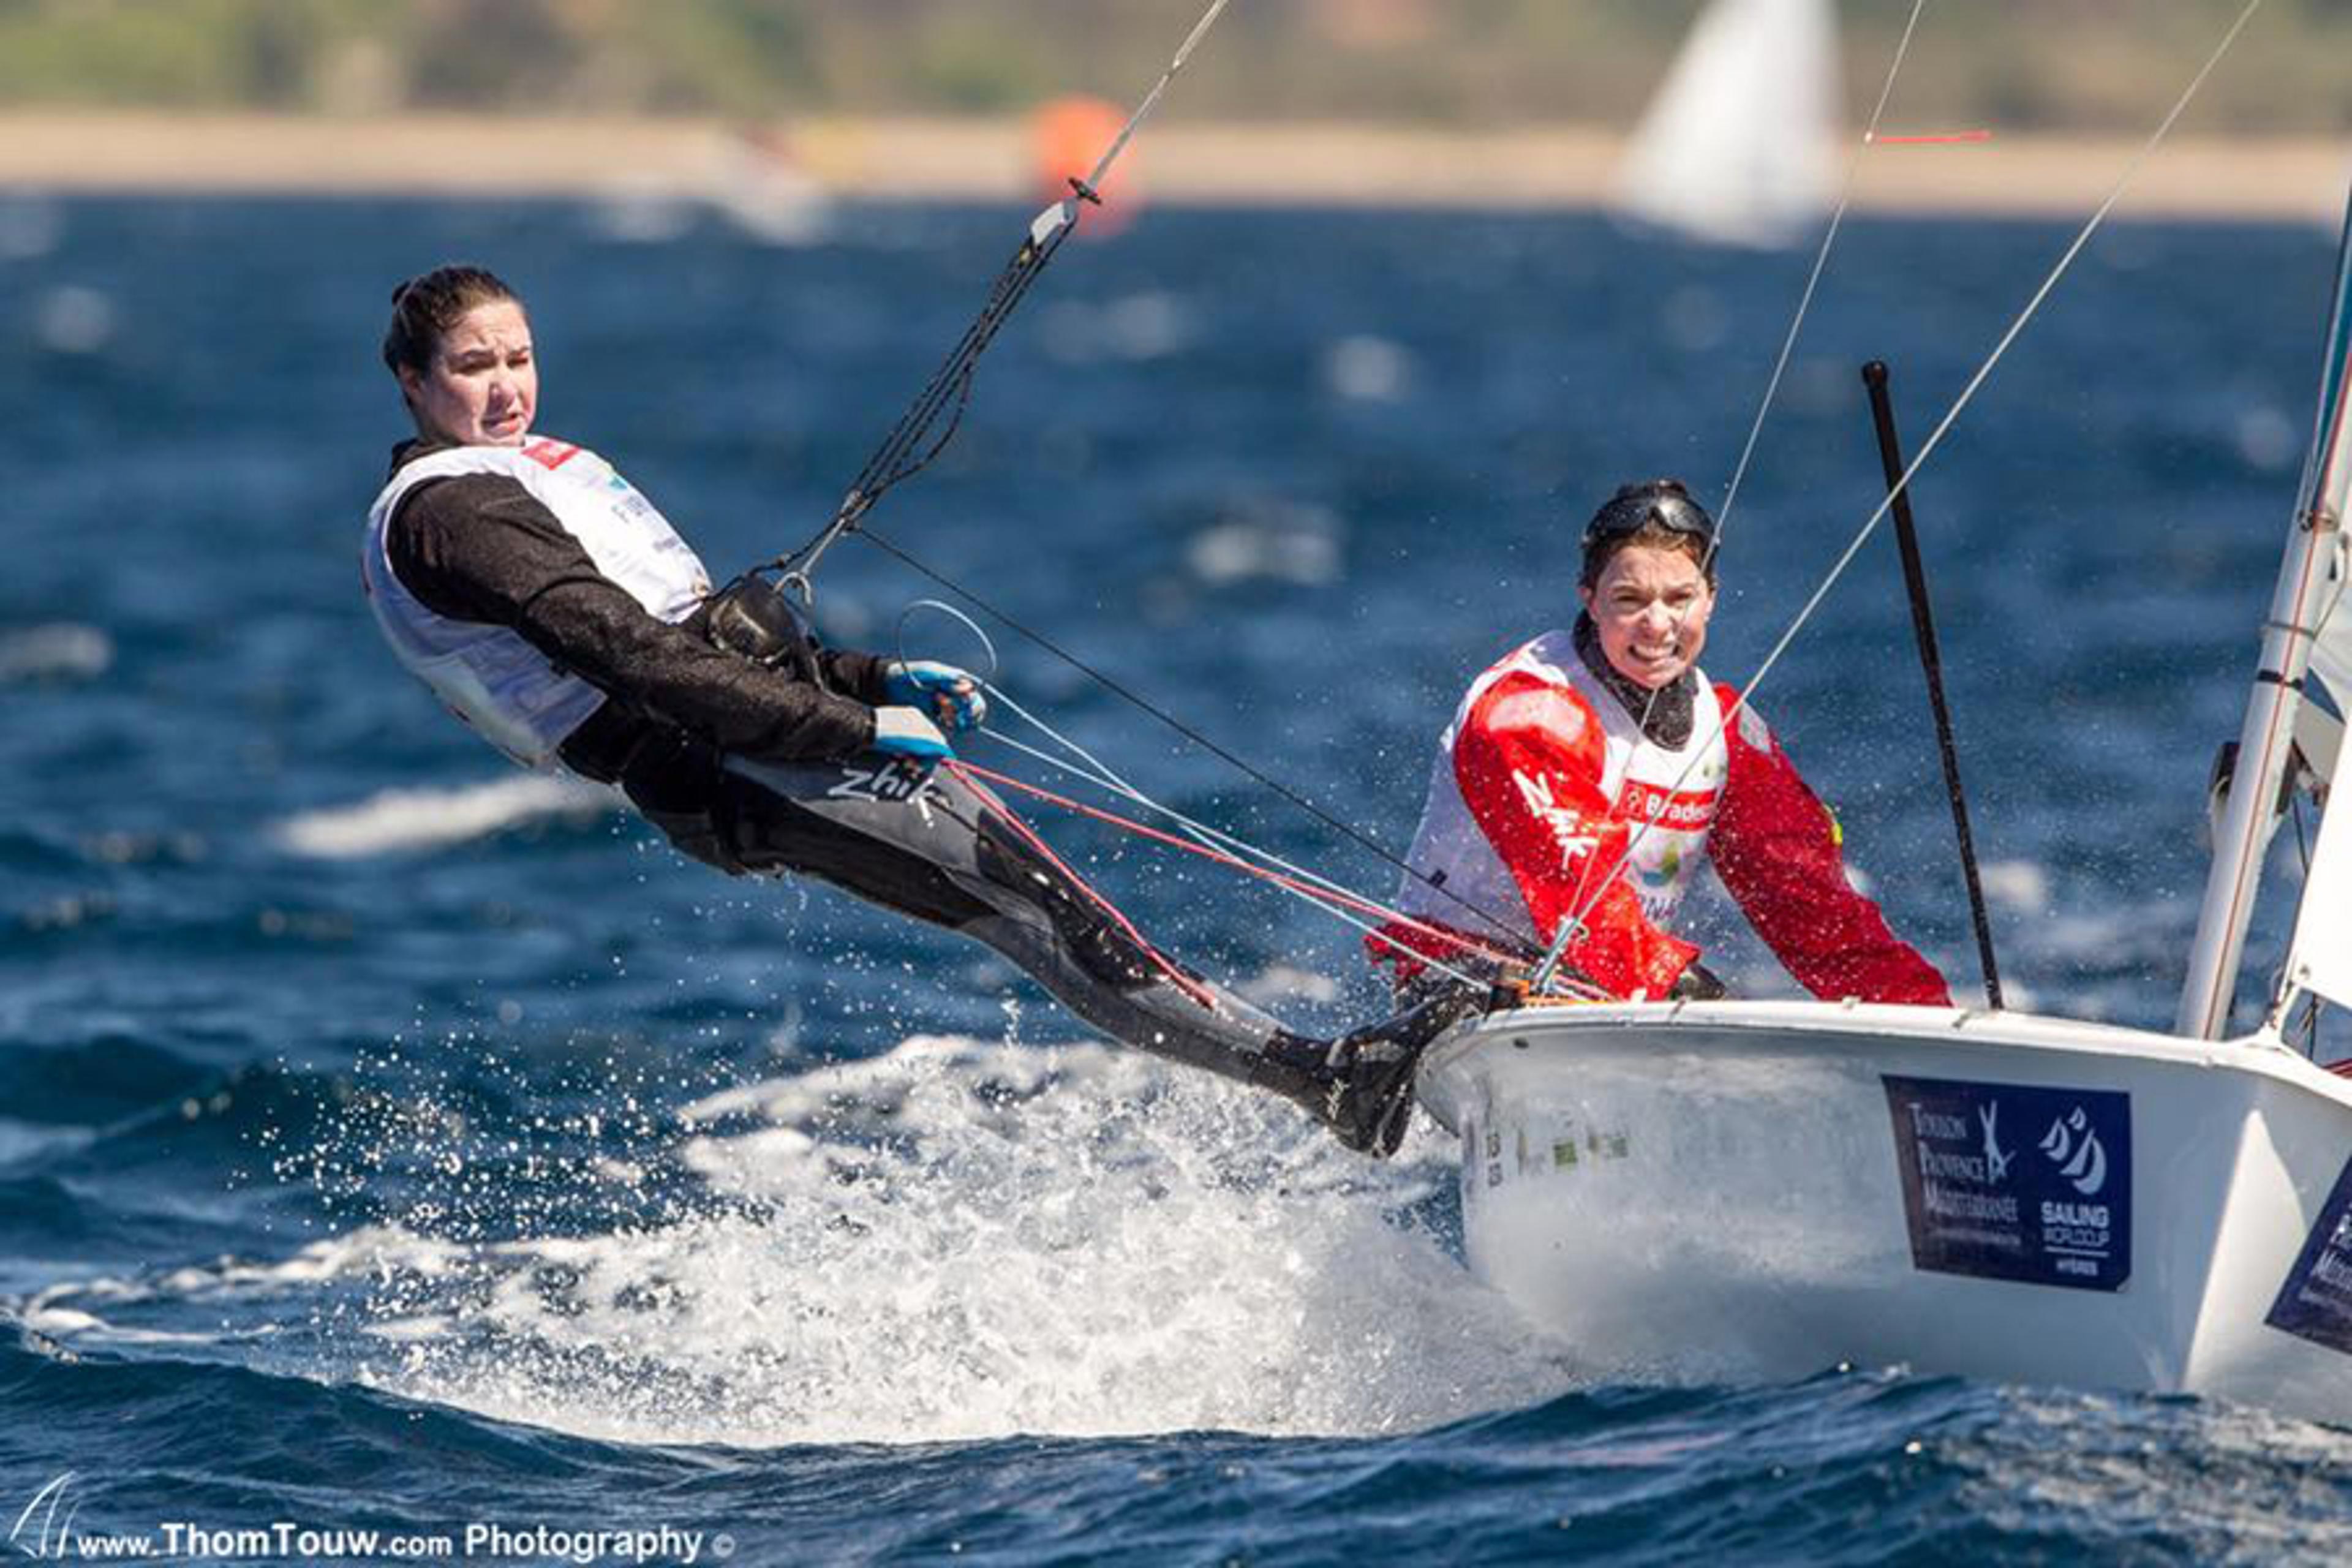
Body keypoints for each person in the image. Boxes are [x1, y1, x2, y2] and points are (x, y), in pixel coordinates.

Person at [362, 264, 1466, 1158]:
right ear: (413, 382)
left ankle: (1333, 1072)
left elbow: (699, 632)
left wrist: (872, 682)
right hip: (725, 769)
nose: (506, 388)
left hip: (764, 733)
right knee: (1031, 914)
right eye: (472, 368)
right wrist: (851, 731)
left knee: (1050, 894)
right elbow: (639, 662)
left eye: (519, 358)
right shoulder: (450, 515)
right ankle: (1332, 1084)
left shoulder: (539, 467)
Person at [1371, 478, 1951, 1008]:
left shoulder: (1725, 731)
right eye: (1629, 600)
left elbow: (1816, 914)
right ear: (1590, 599)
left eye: (1680, 599)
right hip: (1461, 990)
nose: (1657, 624)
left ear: (1711, 599)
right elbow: (1583, 894)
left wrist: (1926, 1021)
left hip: (1613, 994)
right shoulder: (1527, 712)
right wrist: (1678, 989)